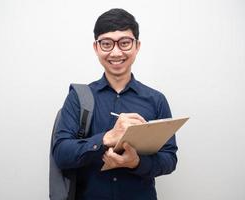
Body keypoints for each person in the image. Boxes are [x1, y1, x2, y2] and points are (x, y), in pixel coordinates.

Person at [53, 8, 177, 200]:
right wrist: (107, 138)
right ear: (96, 48)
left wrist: (136, 162)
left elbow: (169, 159)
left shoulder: (156, 100)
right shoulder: (78, 97)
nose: (116, 52)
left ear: (137, 46)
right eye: (107, 44)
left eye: (125, 43)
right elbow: (61, 154)